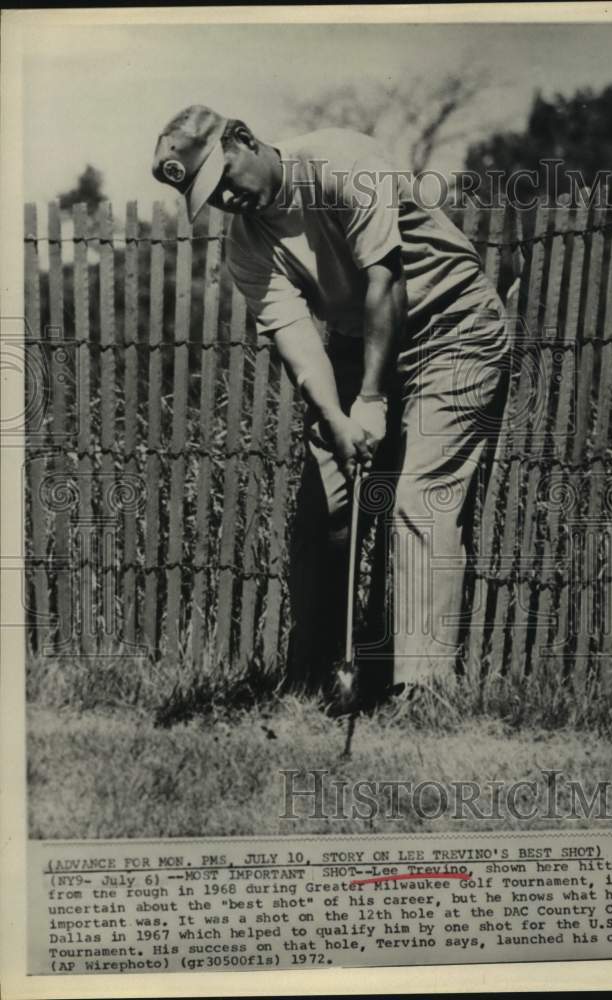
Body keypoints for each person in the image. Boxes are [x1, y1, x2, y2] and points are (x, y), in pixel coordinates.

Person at [152, 104, 510, 705]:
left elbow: (385, 280)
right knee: (326, 507)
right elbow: (301, 347)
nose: (226, 199)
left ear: (245, 136)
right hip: (355, 343)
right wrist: (339, 419)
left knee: (420, 497)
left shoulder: (342, 161)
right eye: (208, 195)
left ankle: (422, 690)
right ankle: (311, 680)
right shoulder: (246, 247)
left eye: (225, 178)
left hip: (452, 328)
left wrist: (371, 398)